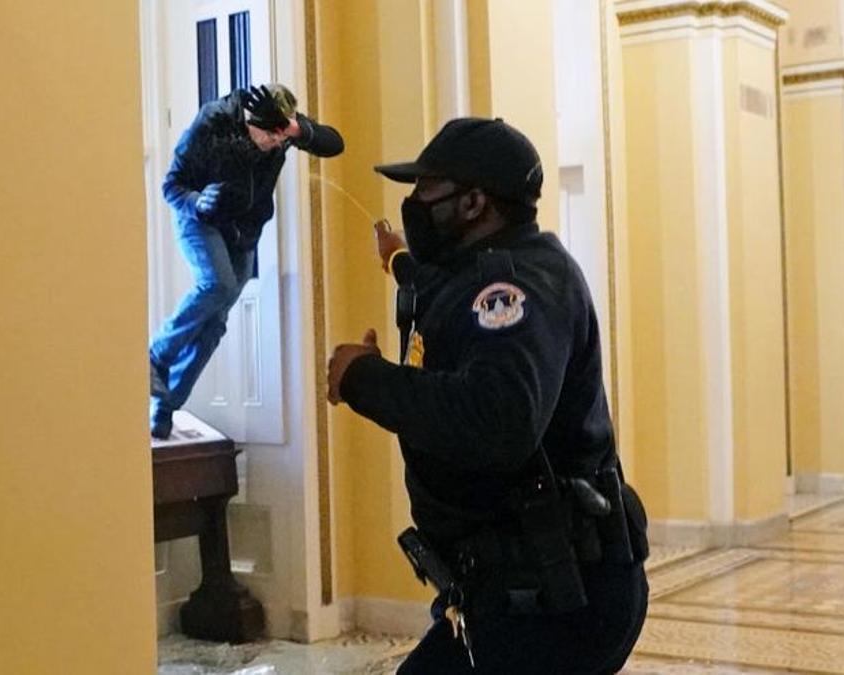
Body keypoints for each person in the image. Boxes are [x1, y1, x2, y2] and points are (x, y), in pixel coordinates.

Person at [326, 117, 648, 674]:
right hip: (517, 589)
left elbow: (497, 421)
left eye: (427, 190)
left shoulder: (514, 287)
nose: (414, 202)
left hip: (554, 600)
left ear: (474, 203)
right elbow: (442, 291)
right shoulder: (490, 266)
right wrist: (399, 259)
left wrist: (364, 379)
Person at [149, 84, 343, 439]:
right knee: (217, 284)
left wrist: (298, 130)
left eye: (280, 137)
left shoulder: (284, 130)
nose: (274, 143)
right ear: (248, 120)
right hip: (201, 218)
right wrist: (197, 202)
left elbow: (335, 144)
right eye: (267, 134)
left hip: (243, 232)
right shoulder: (214, 122)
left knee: (215, 324)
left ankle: (165, 406)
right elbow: (171, 185)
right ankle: (154, 356)